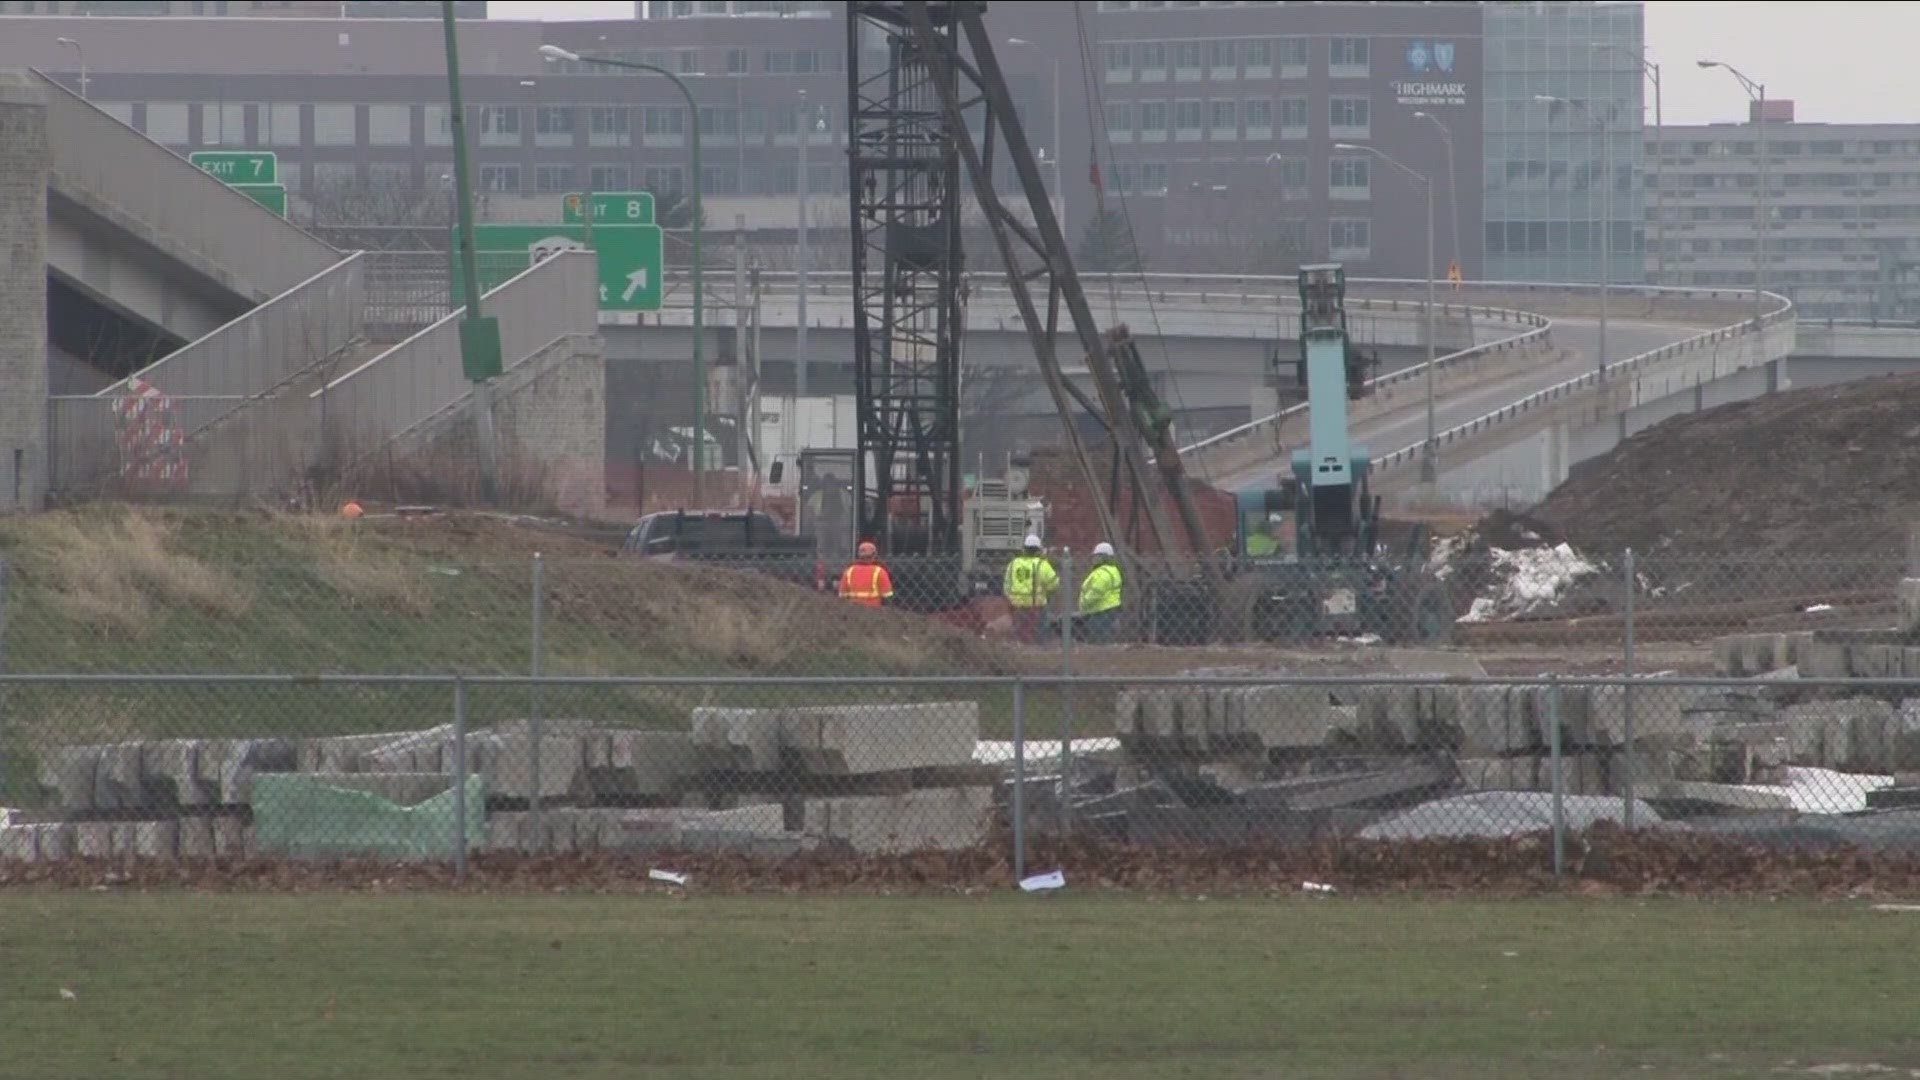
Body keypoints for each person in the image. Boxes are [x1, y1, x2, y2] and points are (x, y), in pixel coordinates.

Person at [1003, 534, 1059, 643]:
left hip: (1016, 605)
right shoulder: (1042, 565)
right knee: (1040, 631)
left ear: (1024, 549)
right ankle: (1040, 647)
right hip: (1036, 606)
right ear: (1038, 550)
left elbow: (1006, 585)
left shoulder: (1013, 564)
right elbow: (1054, 584)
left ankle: (1020, 647)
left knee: (1020, 631)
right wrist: (1046, 591)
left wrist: (1011, 598)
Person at [1076, 541, 1124, 644]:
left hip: (1100, 612)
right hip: (1108, 610)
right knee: (1105, 640)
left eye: (1098, 556)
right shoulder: (1113, 571)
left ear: (1104, 558)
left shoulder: (1102, 573)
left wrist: (1084, 603)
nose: (1094, 559)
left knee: (1098, 641)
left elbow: (1096, 592)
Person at [838, 540, 895, 609]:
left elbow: (842, 594)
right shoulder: (879, 571)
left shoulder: (849, 571)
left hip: (853, 611)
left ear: (858, 554)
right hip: (874, 610)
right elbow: (888, 595)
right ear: (874, 554)